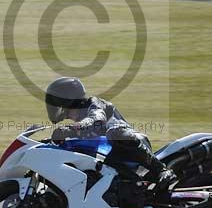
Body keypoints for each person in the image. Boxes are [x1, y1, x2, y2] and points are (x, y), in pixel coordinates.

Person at [44, 76, 177, 192]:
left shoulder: (95, 104)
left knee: (115, 132)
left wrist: (71, 129)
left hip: (134, 146)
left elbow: (97, 120)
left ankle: (161, 170)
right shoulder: (79, 124)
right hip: (113, 159)